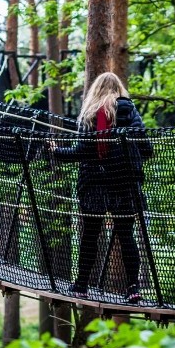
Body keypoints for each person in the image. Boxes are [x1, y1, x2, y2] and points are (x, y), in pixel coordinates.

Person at [50, 72, 152, 302]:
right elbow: (145, 147)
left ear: (95, 89)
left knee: (90, 235)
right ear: (119, 89)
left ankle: (81, 285)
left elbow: (81, 152)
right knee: (126, 236)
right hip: (123, 182)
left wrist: (56, 151)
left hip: (94, 182)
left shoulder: (89, 114)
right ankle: (133, 289)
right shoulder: (129, 110)